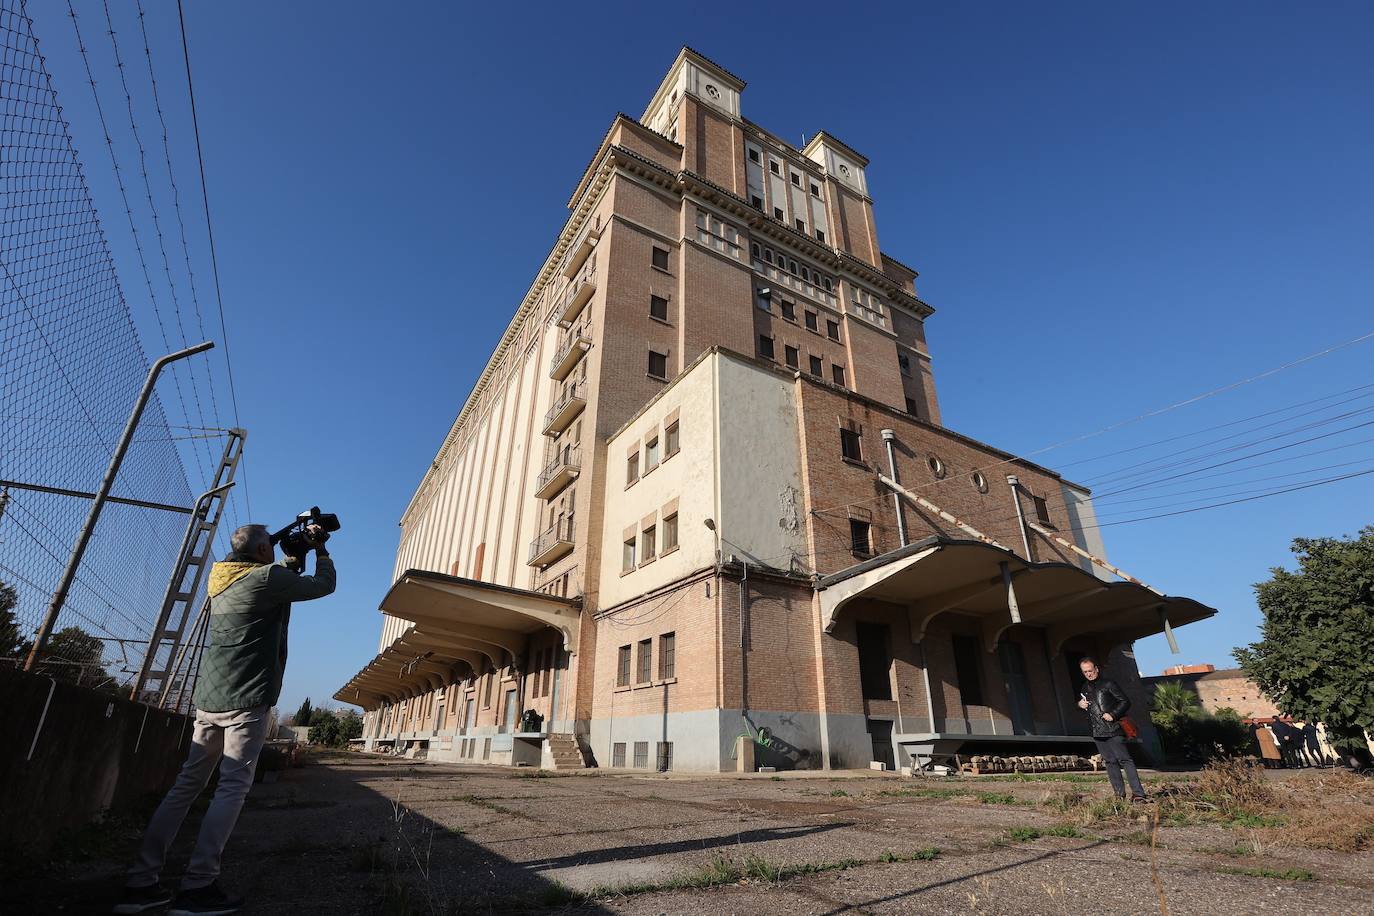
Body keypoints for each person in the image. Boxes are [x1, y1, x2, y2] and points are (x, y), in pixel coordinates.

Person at [115, 523, 336, 915]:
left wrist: (288, 555)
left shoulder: (222, 579)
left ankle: (141, 882)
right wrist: (320, 550)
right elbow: (322, 586)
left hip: (209, 698)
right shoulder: (266, 578)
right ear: (264, 549)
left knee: (186, 786)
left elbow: (274, 581)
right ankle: (198, 885)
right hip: (246, 699)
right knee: (232, 788)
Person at [1076, 657, 1147, 803]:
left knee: (1125, 759)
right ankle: (1119, 795)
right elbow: (1090, 707)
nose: (1088, 674)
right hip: (1097, 731)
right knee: (1109, 762)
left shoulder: (1108, 684)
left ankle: (1138, 794)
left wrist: (1113, 714)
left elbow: (1125, 701)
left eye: (1090, 671)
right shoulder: (1084, 688)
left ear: (1096, 669)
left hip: (1113, 728)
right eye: (1085, 672)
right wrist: (1080, 705)